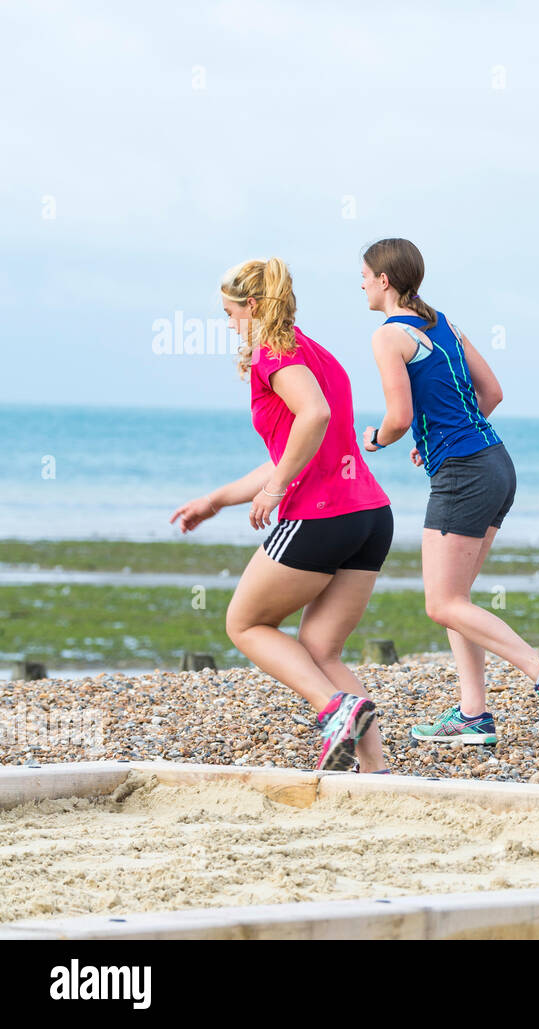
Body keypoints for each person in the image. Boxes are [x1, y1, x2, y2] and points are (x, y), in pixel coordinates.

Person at [170, 257, 394, 773]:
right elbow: (292, 446)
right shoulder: (314, 353)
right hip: (370, 515)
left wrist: (275, 491)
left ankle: (332, 708)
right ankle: (376, 771)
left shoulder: (272, 354)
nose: (229, 325)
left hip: (321, 516)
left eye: (230, 314)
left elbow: (314, 418)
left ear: (252, 305)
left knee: (246, 623)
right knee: (321, 649)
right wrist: (217, 500)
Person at [359, 238, 539, 745]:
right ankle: (473, 715)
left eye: (365, 275)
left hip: (464, 473)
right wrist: (434, 441)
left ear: (384, 280)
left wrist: (377, 438)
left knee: (441, 603)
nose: (362, 284)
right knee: (457, 599)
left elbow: (398, 417)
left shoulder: (388, 335)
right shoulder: (443, 323)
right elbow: (491, 393)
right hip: (495, 463)